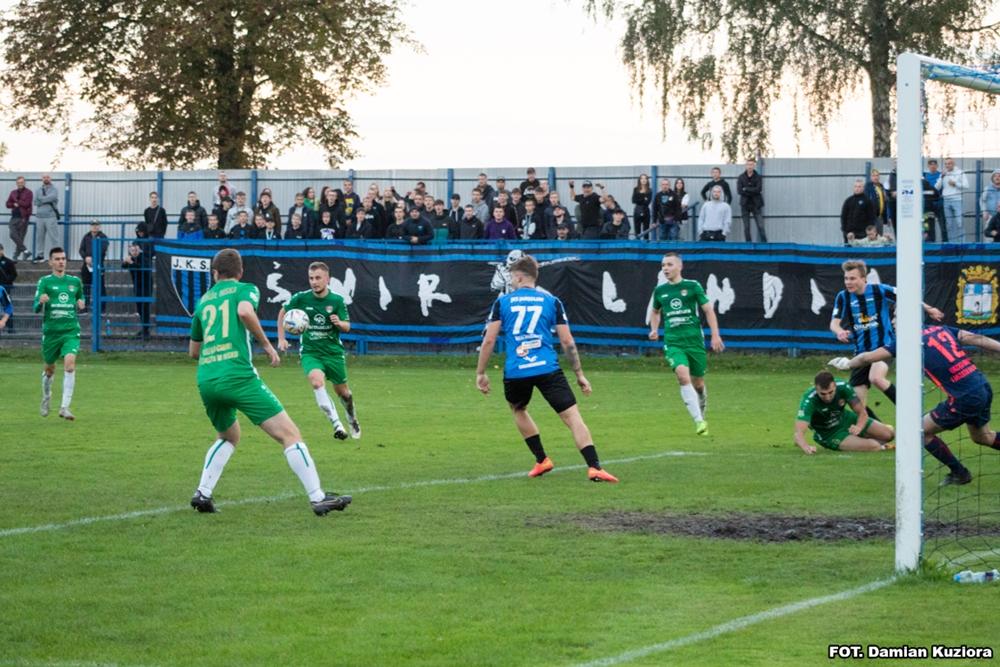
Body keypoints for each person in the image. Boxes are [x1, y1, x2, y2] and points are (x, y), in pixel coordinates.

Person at [187, 248, 352, 516]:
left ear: (215, 274)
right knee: (290, 435)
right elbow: (244, 311)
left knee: (229, 436)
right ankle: (318, 498)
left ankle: (202, 493)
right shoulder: (245, 289)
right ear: (240, 272)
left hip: (206, 378)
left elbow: (193, 352)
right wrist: (266, 345)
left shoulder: (203, 301)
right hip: (238, 376)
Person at [476, 254, 618, 482]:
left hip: (517, 370)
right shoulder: (552, 301)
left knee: (518, 409)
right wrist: (580, 374)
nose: (511, 281)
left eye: (512, 277)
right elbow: (567, 342)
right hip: (548, 368)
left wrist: (481, 373)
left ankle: (542, 459)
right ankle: (594, 466)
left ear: (519, 277)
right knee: (572, 416)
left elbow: (489, 340)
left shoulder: (503, 302)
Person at [830, 325, 1000, 485]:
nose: (893, 322)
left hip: (964, 397)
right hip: (982, 386)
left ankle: (960, 473)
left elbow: (867, 357)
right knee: (982, 437)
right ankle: (959, 473)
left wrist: (847, 364)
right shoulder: (940, 329)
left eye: (896, 316)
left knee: (919, 431)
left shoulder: (908, 340)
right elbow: (975, 338)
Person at [830, 259, 943, 418]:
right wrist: (839, 331)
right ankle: (882, 431)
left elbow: (907, 296)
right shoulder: (843, 297)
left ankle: (912, 411)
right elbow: (833, 324)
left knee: (876, 378)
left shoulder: (879, 290)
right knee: (857, 405)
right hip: (861, 353)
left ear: (864, 278)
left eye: (853, 278)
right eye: (846, 278)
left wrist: (929, 309)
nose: (848, 282)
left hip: (884, 347)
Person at [277, 261, 361, 441]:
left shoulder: (337, 300)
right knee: (316, 382)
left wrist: (339, 323)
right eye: (311, 278)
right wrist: (282, 338)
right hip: (311, 352)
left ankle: (351, 417)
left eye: (318, 278)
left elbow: (347, 326)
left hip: (333, 353)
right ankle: (337, 424)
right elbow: (282, 312)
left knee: (344, 393)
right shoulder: (301, 298)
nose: (314, 282)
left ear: (327, 279)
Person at [648, 252, 725, 435]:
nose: (665, 268)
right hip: (673, 342)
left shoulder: (692, 286)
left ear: (680, 266)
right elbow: (656, 311)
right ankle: (699, 422)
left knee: (698, 383)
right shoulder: (660, 290)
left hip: (694, 341)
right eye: (663, 265)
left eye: (669, 264)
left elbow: (708, 310)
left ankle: (702, 409)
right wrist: (654, 329)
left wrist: (715, 335)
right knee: (683, 375)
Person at [34, 247, 85, 420]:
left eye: (63, 258)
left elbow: (81, 297)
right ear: (50, 262)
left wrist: (81, 302)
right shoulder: (44, 282)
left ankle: (64, 407)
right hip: (51, 333)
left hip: (70, 331)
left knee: (69, 365)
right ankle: (46, 397)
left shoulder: (75, 282)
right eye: (57, 259)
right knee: (49, 370)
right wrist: (40, 302)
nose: (61, 261)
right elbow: (35, 307)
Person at [793, 371, 895, 454]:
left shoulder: (843, 387)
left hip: (846, 419)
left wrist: (859, 427)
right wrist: (806, 447)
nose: (827, 397)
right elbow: (798, 433)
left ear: (835, 386)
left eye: (830, 392)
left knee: (890, 434)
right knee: (873, 446)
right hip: (830, 434)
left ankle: (862, 439)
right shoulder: (808, 400)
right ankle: (872, 443)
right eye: (823, 394)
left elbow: (862, 413)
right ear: (816, 388)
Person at [122, 240, 152, 338]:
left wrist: (131, 262)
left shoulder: (144, 258)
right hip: (137, 287)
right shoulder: (131, 258)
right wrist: (125, 261)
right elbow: (123, 266)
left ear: (139, 250)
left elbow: (141, 269)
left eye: (136, 250)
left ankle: (146, 331)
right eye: (132, 250)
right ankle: (144, 329)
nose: (134, 252)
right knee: (140, 309)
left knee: (145, 308)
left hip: (146, 286)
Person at [78, 220, 109, 311]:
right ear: (90, 226)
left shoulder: (103, 237)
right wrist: (85, 258)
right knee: (85, 286)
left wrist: (93, 258)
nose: (94, 227)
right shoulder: (86, 236)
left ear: (99, 226)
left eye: (96, 225)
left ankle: (101, 308)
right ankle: (84, 307)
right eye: (93, 225)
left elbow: (102, 250)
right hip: (86, 265)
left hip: (98, 264)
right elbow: (81, 249)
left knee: (100, 287)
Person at [936, 157, 968, 242]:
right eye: (946, 164)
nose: (947, 165)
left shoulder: (960, 172)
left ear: (953, 164)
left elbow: (966, 186)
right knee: (949, 225)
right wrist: (941, 177)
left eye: (949, 163)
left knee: (959, 222)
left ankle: (962, 243)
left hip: (957, 200)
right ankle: (951, 244)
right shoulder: (943, 174)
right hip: (946, 201)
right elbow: (936, 187)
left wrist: (955, 183)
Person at [736, 159, 766, 242]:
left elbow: (759, 189)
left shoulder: (758, 177)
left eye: (751, 164)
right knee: (746, 227)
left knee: (760, 226)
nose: (750, 166)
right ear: (746, 166)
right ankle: (748, 245)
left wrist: (746, 189)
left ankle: (765, 245)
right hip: (745, 204)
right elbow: (739, 191)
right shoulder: (741, 177)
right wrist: (752, 190)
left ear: (754, 166)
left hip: (756, 204)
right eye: (748, 164)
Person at [6, 175, 33, 260]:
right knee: (12, 234)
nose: (20, 184)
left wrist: (17, 202)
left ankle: (15, 256)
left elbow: (27, 204)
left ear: (24, 183)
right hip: (14, 216)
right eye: (18, 183)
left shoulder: (29, 192)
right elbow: (7, 204)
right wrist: (13, 204)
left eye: (21, 182)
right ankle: (26, 251)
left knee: (20, 237)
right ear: (16, 183)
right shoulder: (13, 192)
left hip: (23, 217)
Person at [34, 174, 60, 262]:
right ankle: (40, 255)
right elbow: (35, 202)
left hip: (51, 216)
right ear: (42, 179)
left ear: (50, 178)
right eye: (44, 177)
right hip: (39, 217)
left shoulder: (54, 189)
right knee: (39, 237)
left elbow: (53, 197)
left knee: (54, 237)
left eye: (47, 177)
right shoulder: (38, 190)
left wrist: (41, 199)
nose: (46, 179)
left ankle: (56, 256)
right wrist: (45, 199)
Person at [841, 178, 876, 244]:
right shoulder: (848, 201)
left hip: (862, 235)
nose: (857, 188)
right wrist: (845, 232)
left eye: (859, 187)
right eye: (855, 186)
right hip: (849, 234)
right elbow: (843, 217)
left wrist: (868, 232)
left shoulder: (867, 201)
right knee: (849, 250)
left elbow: (871, 218)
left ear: (863, 188)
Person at [923, 159, 947, 242]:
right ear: (928, 166)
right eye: (931, 164)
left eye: (934, 164)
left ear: (937, 166)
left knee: (943, 225)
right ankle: (929, 242)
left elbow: (937, 188)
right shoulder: (925, 176)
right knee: (928, 225)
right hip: (928, 205)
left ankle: (945, 242)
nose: (932, 166)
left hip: (939, 203)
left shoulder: (941, 175)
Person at [864, 169, 890, 236]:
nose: (875, 177)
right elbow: (866, 202)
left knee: (879, 237)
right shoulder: (868, 186)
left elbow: (885, 201)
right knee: (872, 237)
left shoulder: (881, 186)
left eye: (877, 175)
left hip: (880, 217)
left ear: (879, 176)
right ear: (871, 177)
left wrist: (886, 218)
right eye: (873, 176)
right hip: (872, 218)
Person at [632, 173, 652, 239]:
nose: (643, 180)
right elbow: (633, 200)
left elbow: (648, 202)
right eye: (642, 178)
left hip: (646, 210)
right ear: (639, 180)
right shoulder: (635, 189)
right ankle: (637, 243)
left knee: (646, 230)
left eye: (645, 178)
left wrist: (639, 198)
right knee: (637, 229)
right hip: (637, 210)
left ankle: (646, 243)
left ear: (647, 180)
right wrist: (644, 197)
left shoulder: (649, 190)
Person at [981, 169, 1000, 238]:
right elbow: (982, 200)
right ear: (992, 178)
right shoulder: (987, 188)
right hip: (990, 216)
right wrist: (984, 211)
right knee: (988, 234)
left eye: (999, 176)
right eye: (995, 176)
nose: (997, 178)